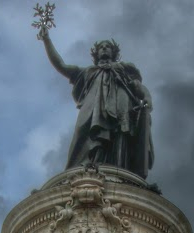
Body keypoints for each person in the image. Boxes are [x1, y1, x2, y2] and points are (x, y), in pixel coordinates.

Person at [39, 26, 154, 179]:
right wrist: (47, 40)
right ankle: (81, 172)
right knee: (83, 134)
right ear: (96, 53)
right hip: (92, 109)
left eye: (107, 47)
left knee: (120, 136)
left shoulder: (124, 68)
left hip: (121, 106)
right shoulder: (87, 72)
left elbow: (138, 87)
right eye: (101, 47)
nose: (104, 49)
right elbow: (61, 65)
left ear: (114, 52)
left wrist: (147, 98)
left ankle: (119, 173)